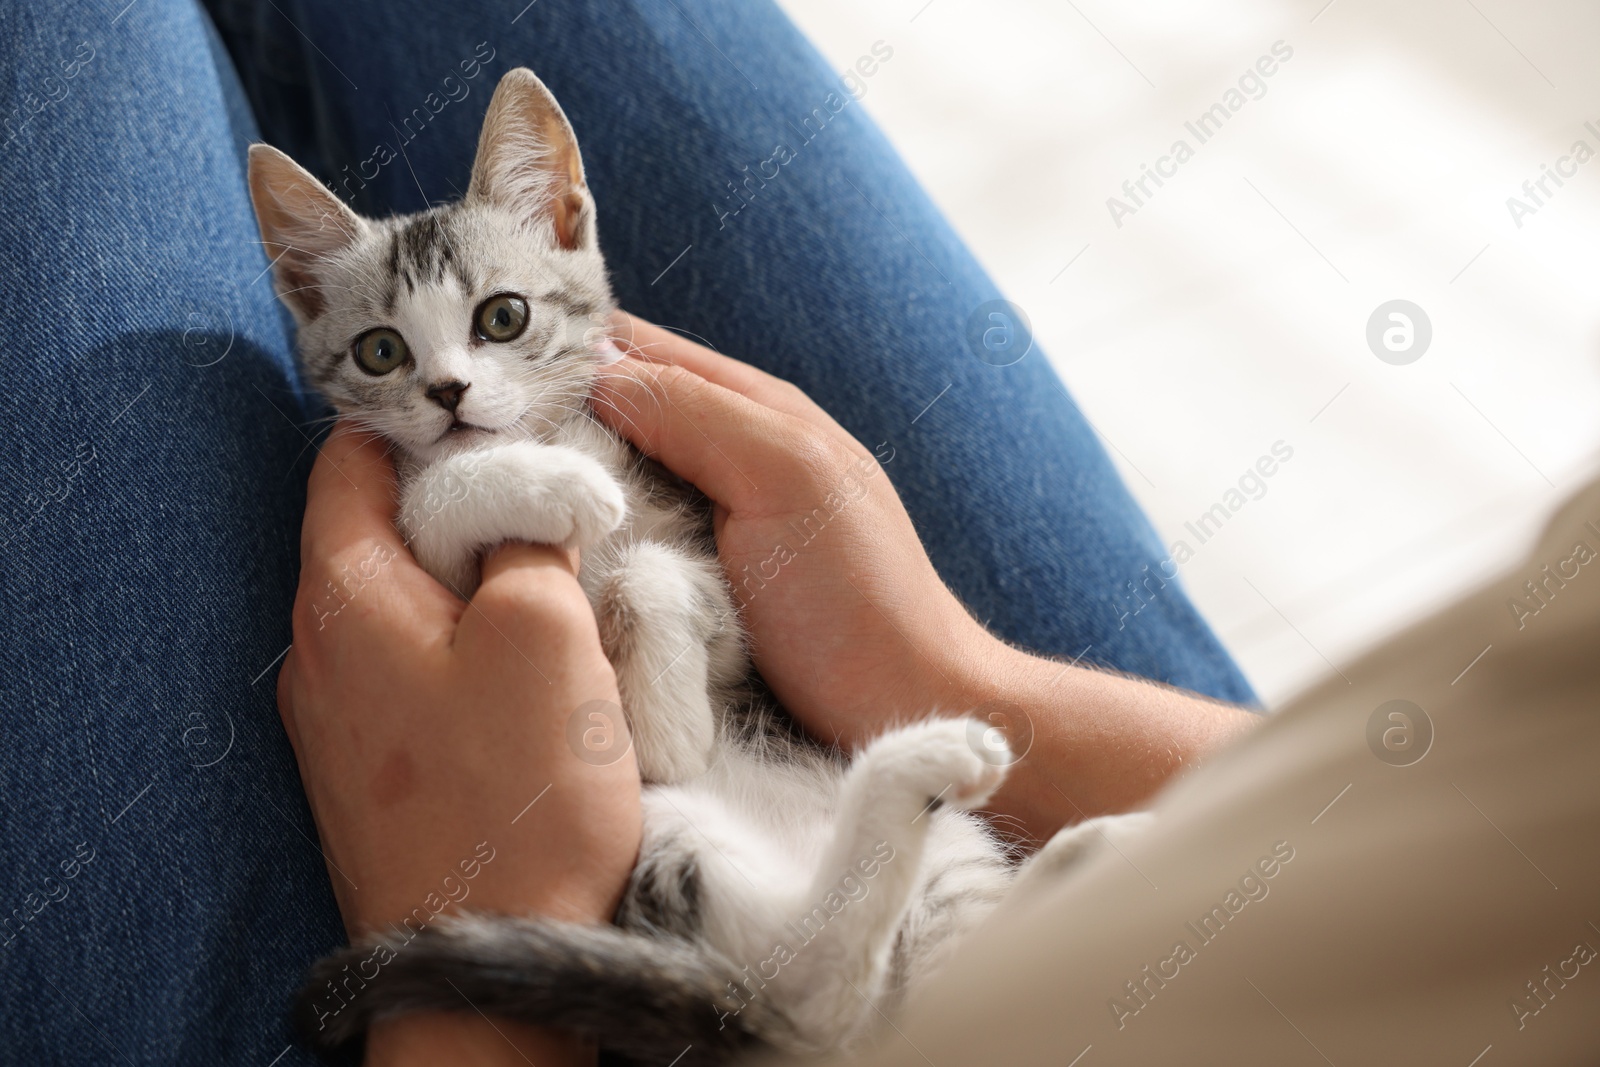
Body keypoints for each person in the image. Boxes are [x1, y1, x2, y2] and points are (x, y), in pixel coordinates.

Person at [2, 1, 1255, 1063]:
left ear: (564, 230)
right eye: (384, 353)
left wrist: (484, 941)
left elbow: (640, 706)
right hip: (1106, 899)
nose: (444, 387)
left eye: (496, 320)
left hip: (649, 923)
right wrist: (942, 668)